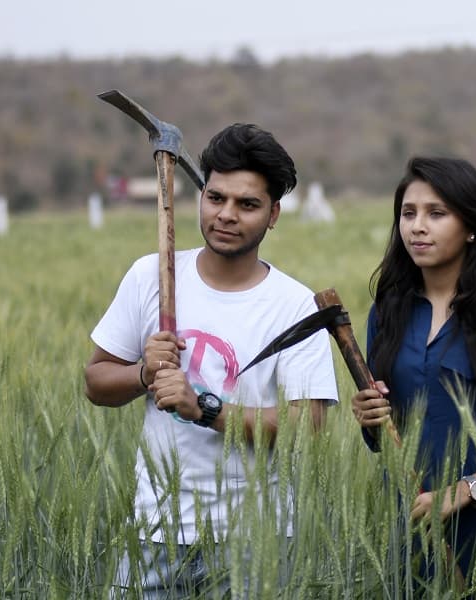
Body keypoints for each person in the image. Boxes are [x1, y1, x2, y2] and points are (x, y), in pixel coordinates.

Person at [84, 123, 338, 596]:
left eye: (247, 204)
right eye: (216, 197)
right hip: (153, 531)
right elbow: (96, 382)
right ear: (200, 196)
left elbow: (310, 424)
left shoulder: (294, 305)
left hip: (255, 539)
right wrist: (143, 372)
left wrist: (205, 408)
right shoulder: (152, 275)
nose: (226, 215)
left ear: (273, 214)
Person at [351, 156, 476, 594]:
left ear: (471, 225)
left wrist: (467, 489)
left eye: (437, 214)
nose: (418, 226)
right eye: (408, 213)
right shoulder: (388, 311)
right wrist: (369, 419)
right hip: (411, 525)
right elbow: (384, 442)